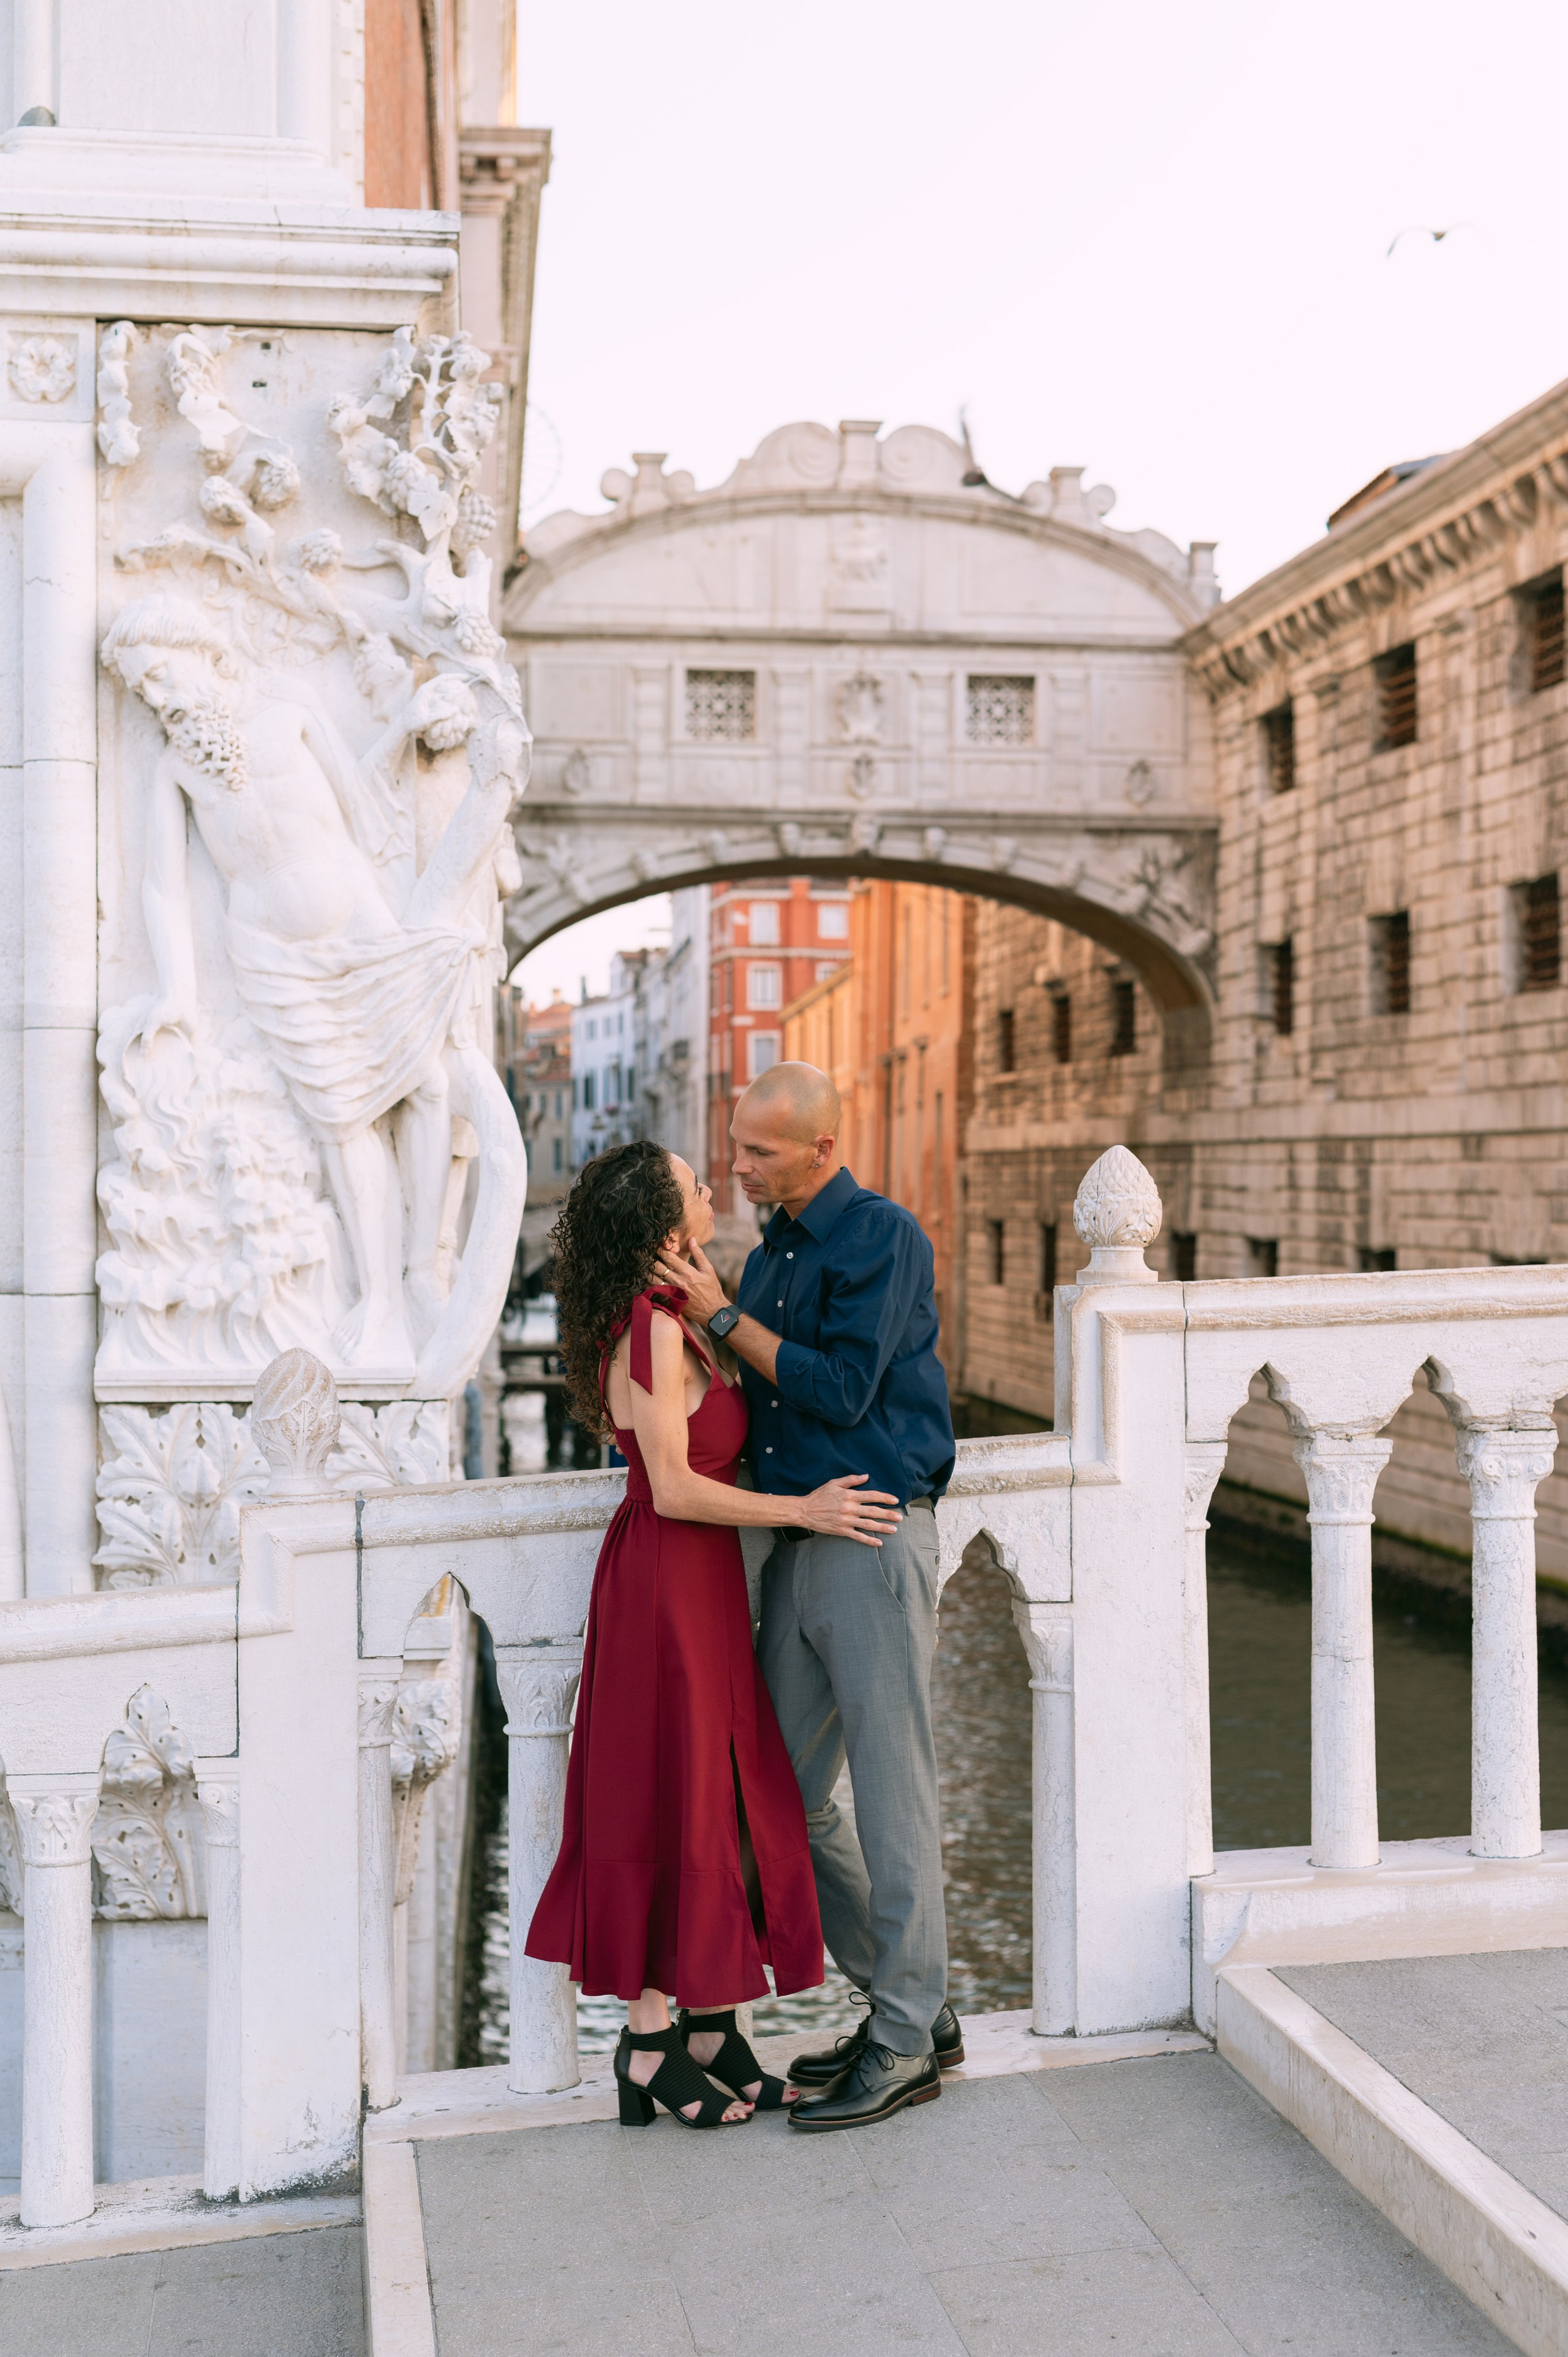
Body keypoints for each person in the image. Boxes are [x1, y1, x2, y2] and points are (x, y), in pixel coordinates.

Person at [525, 1138, 902, 2128]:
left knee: (712, 1798)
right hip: (666, 1586)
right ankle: (648, 2050)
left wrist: (718, 1300)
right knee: (677, 1800)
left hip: (697, 1589)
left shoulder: (677, 1316)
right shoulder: (648, 1329)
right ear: (666, 1218)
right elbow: (677, 1488)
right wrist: (806, 1512)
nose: (713, 1183)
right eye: (697, 1180)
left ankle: (706, 2033)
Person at [655, 1062, 960, 2133]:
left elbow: (837, 1387)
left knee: (893, 1790)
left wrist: (723, 1312)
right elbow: (761, 1389)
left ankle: (908, 2037)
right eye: (734, 1149)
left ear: (822, 1148)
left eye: (759, 1153)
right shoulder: (778, 1239)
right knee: (777, 1790)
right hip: (795, 1536)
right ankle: (912, 2003)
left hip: (870, 1533)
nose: (738, 1167)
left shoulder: (881, 1235)